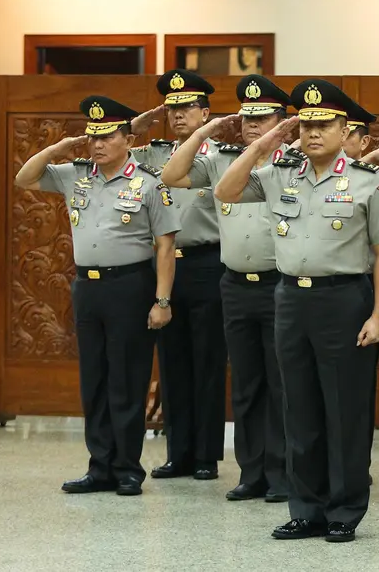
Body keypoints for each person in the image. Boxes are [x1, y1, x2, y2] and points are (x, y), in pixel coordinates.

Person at [214, 79, 379, 543]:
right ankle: (306, 509)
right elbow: (227, 190)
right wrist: (264, 141)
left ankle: (344, 510)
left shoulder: (365, 182)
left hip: (343, 299)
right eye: (308, 123)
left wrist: (378, 316)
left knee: (344, 410)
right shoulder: (281, 173)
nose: (315, 131)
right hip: (290, 299)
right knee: (298, 408)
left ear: (344, 129)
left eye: (325, 124)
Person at [14, 96, 179, 497]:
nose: (98, 145)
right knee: (95, 380)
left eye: (107, 136)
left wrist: (161, 301)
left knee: (127, 378)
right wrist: (58, 147)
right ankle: (99, 466)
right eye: (93, 138)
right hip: (87, 288)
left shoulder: (148, 181)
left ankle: (127, 468)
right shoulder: (76, 175)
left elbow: (165, 245)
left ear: (127, 138)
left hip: (129, 286)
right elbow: (25, 177)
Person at [159, 75, 295, 503]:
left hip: (278, 283)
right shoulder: (223, 161)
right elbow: (172, 174)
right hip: (234, 284)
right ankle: (251, 473)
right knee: (247, 385)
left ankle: (281, 474)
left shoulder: (296, 163)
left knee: (280, 385)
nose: (254, 126)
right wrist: (202, 131)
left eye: (265, 118)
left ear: (282, 122)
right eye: (249, 119)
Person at [130, 69, 228, 481]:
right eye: (172, 110)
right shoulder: (154, 154)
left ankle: (206, 455)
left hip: (208, 262)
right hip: (167, 267)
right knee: (171, 364)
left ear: (205, 112)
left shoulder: (221, 156)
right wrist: (139, 125)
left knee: (207, 362)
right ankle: (178, 452)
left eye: (187, 108)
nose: (178, 116)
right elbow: (118, 153)